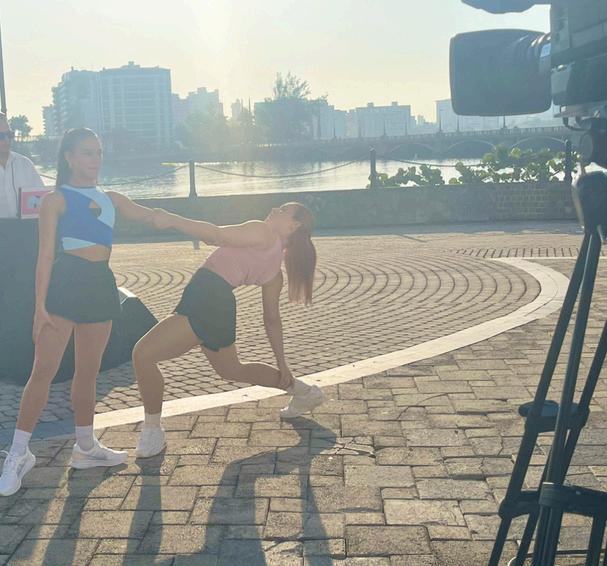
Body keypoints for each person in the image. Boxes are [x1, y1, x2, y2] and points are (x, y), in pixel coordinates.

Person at [0, 128, 161, 496]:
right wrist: (39, 307)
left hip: (100, 284)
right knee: (43, 372)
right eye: (88, 152)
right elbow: (44, 256)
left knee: (87, 372)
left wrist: (217, 232)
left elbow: (154, 217)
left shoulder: (109, 198)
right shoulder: (55, 200)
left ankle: (86, 447)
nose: (96, 159)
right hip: (66, 283)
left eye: (99, 152)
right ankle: (19, 453)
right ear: (69, 157)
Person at [132, 203, 325, 458]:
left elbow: (216, 235)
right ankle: (304, 392)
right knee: (232, 370)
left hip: (208, 298)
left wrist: (172, 219)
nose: (274, 208)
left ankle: (152, 431)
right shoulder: (275, 272)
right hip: (216, 301)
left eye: (283, 210)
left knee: (143, 354)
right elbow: (271, 320)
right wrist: (283, 365)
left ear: (294, 225)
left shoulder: (262, 231)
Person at [0, 113, 45, 218]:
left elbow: (43, 200)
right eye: (1, 136)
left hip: (26, 226)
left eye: (9, 134)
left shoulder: (25, 164)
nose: (6, 140)